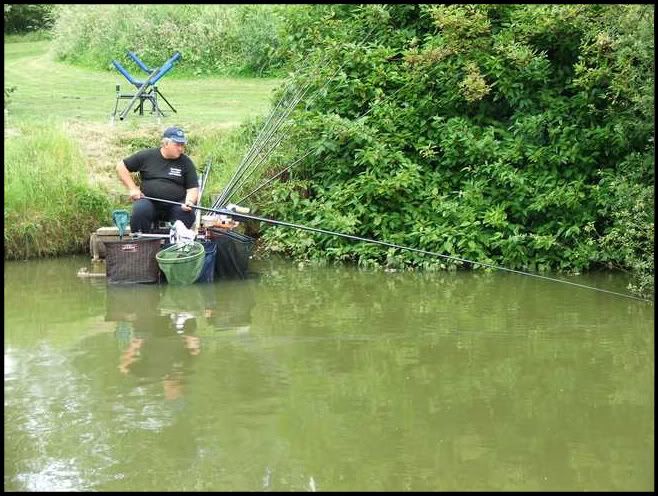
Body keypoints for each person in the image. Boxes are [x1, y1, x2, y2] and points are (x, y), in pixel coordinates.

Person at [116, 126, 199, 234]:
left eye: (182, 145)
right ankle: (141, 243)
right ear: (165, 144)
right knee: (140, 210)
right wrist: (133, 188)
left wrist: (189, 201)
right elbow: (121, 166)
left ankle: (174, 245)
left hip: (176, 204)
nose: (181, 149)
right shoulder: (147, 156)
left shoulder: (186, 162)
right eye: (177, 145)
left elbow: (192, 188)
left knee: (186, 214)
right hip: (148, 201)